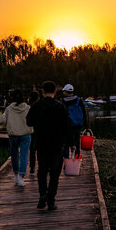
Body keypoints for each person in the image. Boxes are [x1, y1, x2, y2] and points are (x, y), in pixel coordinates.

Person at [26, 81, 75, 211]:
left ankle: (43, 194)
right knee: (54, 173)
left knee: (42, 171)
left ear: (42, 91)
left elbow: (28, 122)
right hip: (57, 145)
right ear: (54, 92)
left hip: (41, 144)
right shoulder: (60, 106)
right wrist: (71, 144)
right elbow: (66, 127)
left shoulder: (36, 106)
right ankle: (51, 200)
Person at [0, 89, 32, 187]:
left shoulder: (9, 109)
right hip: (25, 135)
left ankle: (15, 174)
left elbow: (2, 121)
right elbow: (33, 120)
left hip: (13, 135)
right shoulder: (28, 108)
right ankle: (21, 177)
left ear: (12, 97)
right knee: (24, 155)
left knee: (14, 155)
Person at [61, 84, 88, 159]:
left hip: (67, 125)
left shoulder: (63, 101)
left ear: (66, 92)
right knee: (77, 144)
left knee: (66, 144)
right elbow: (84, 113)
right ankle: (76, 160)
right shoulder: (79, 100)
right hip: (77, 125)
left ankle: (66, 162)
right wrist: (86, 125)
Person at [27, 91, 40, 175]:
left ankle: (32, 168)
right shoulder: (39, 105)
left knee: (32, 150)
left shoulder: (28, 107)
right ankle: (41, 166)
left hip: (31, 131)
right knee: (40, 149)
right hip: (39, 131)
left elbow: (28, 121)